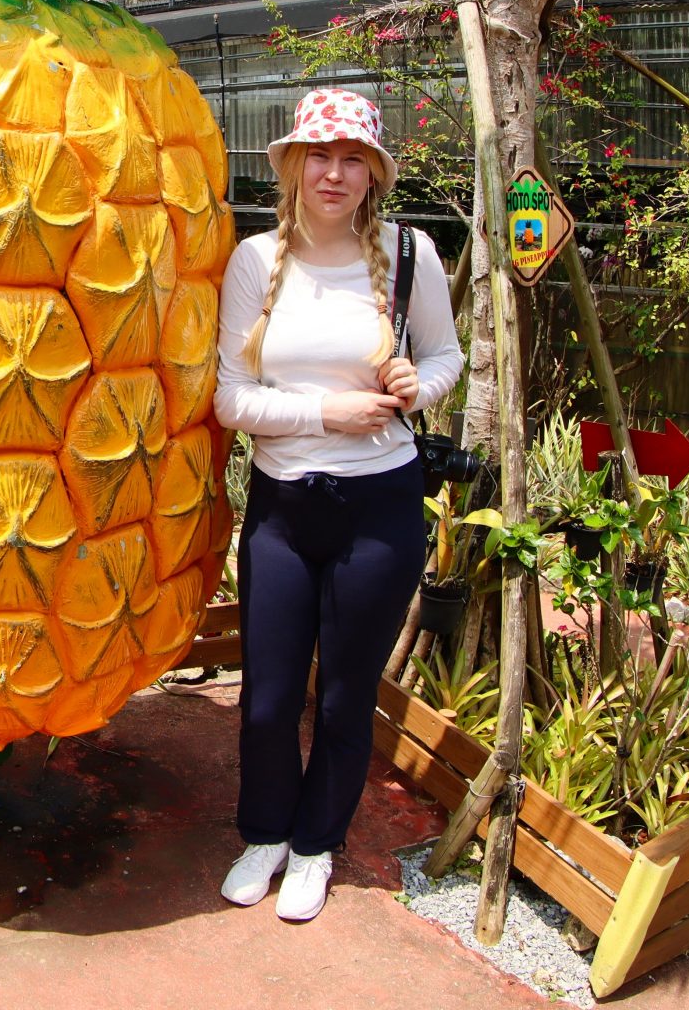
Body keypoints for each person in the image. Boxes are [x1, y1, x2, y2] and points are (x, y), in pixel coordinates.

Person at [212, 87, 464, 923]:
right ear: (292, 164)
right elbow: (230, 398)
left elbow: (447, 357)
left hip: (380, 507)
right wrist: (328, 412)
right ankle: (265, 835)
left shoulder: (408, 255)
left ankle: (318, 846)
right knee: (269, 696)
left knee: (348, 697)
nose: (334, 173)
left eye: (353, 158)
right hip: (283, 509)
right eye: (319, 155)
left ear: (374, 174)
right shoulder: (255, 261)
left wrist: (415, 387)